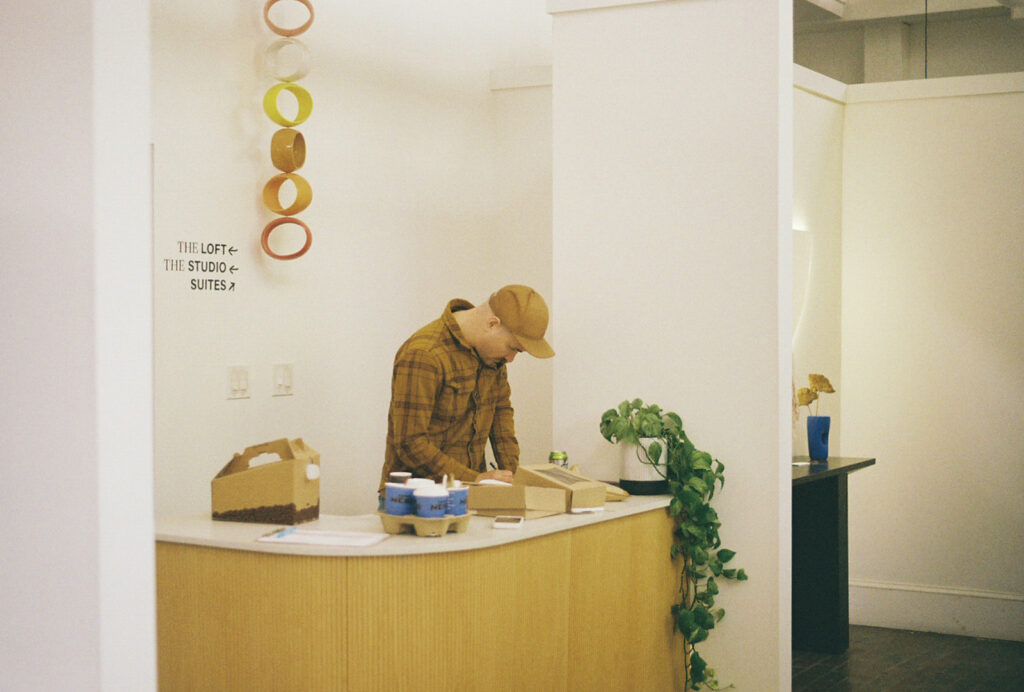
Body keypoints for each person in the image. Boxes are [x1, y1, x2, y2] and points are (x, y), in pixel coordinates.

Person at [379, 284, 555, 490]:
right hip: (412, 500)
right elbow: (410, 443)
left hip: (467, 495)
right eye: (512, 348)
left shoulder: (492, 359)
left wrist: (514, 479)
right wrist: (474, 479)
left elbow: (501, 418)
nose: (511, 359)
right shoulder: (424, 354)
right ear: (492, 324)